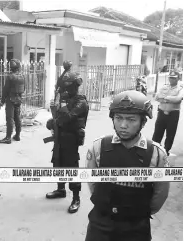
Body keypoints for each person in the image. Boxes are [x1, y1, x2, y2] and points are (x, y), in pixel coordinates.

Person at [85, 90, 170, 241]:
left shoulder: (157, 155)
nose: (123, 125)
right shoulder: (98, 147)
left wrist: (137, 212)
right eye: (118, 118)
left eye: (131, 120)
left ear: (143, 122)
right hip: (100, 225)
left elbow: (159, 195)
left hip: (136, 229)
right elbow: (93, 185)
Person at [45, 71, 89, 214]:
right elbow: (58, 114)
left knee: (71, 167)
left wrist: (56, 120)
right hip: (59, 136)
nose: (65, 89)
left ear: (74, 86)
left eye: (67, 86)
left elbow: (68, 117)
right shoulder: (63, 97)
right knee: (57, 162)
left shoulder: (80, 101)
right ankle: (60, 189)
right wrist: (52, 121)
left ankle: (76, 198)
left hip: (71, 138)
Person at [152, 71, 183, 156]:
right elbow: (157, 97)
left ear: (178, 78)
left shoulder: (180, 88)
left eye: (174, 78)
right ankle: (155, 150)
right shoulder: (164, 86)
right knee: (157, 132)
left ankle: (166, 151)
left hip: (173, 114)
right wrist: (170, 98)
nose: (171, 79)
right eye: (170, 77)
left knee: (170, 134)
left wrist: (165, 98)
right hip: (161, 113)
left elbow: (178, 99)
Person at [0, 59, 25, 144]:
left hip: (10, 99)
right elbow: (24, 89)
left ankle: (8, 138)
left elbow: (5, 90)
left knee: (10, 118)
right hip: (18, 99)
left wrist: (2, 101)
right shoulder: (22, 76)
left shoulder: (10, 77)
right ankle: (17, 135)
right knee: (17, 118)